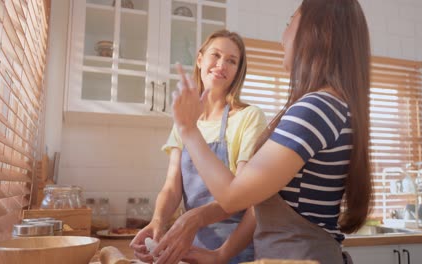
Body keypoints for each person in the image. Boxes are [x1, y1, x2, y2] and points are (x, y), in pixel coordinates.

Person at [169, 0, 373, 263]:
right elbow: (262, 197)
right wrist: (220, 255)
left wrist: (188, 130)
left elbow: (234, 196)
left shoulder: (316, 108)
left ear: (315, 32)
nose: (283, 35)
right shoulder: (328, 105)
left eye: (290, 22)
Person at [130, 29, 267, 264]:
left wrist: (194, 218)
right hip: (190, 249)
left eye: (232, 61)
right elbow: (173, 186)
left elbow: (244, 196)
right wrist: (157, 221)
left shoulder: (248, 117)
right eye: (216, 55)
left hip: (233, 250)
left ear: (237, 71)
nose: (222, 64)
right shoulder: (185, 119)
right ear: (200, 59)